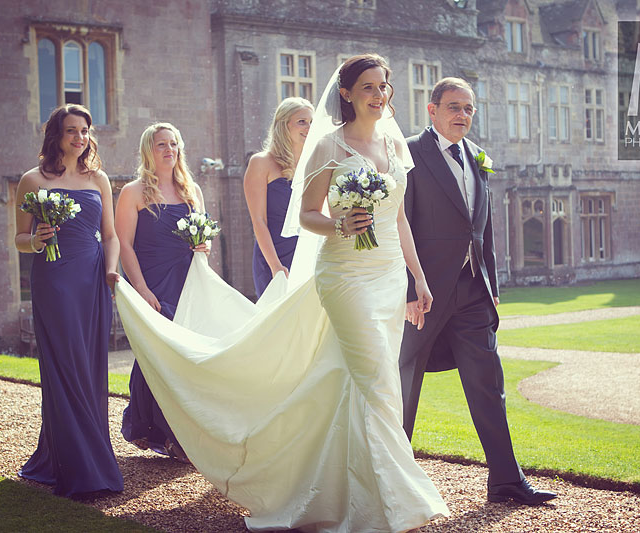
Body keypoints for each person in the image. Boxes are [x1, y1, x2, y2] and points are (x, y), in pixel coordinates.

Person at [114, 54, 448, 532]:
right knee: (378, 382)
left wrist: (418, 277)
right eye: (370, 87)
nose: (380, 94)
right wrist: (337, 224)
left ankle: (346, 489)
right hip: (346, 277)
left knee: (368, 383)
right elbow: (307, 215)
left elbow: (398, 218)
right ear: (348, 93)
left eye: (385, 86)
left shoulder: (395, 144)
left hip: (389, 276)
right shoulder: (328, 146)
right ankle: (401, 498)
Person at [398, 77, 557, 505]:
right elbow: (401, 224)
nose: (462, 115)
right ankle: (390, 482)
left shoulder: (477, 158)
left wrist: (492, 284)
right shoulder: (410, 153)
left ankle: (506, 480)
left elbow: (481, 229)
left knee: (489, 384)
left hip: (473, 293)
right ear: (432, 111)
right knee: (404, 384)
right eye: (453, 107)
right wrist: (409, 288)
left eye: (468, 109)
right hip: (425, 294)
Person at [15, 103, 123, 497]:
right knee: (66, 365)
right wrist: (36, 239)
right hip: (54, 281)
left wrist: (112, 272)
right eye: (71, 131)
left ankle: (61, 452)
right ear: (56, 136)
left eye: (84, 131)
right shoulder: (32, 179)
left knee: (89, 366)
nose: (80, 138)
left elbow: (109, 235)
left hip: (92, 280)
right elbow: (19, 240)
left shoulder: (99, 179)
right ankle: (81, 465)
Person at [115, 122, 209, 462]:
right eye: (161, 145)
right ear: (148, 151)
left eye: (173, 144)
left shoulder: (191, 190)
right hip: (153, 281)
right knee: (157, 355)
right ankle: (162, 431)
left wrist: (204, 246)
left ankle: (175, 433)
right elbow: (124, 244)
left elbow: (204, 234)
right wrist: (140, 289)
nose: (169, 150)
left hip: (188, 280)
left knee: (184, 357)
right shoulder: (133, 192)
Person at [244, 97, 313, 297]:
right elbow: (258, 221)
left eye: (311, 122)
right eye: (302, 121)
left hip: (306, 255)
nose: (308, 127)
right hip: (273, 256)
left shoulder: (313, 165)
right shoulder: (261, 162)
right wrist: (275, 266)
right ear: (284, 125)